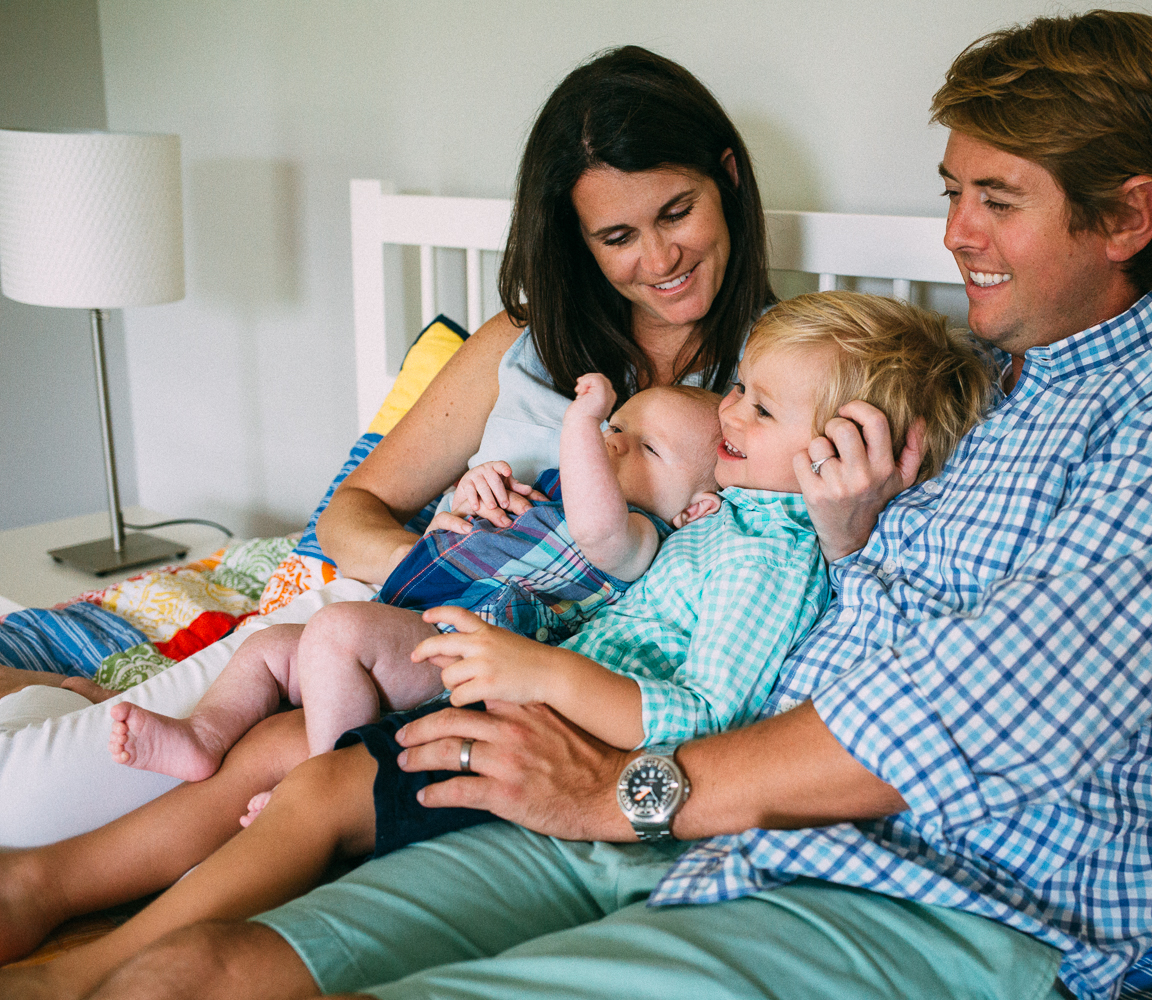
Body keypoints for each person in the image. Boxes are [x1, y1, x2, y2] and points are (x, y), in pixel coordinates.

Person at [62, 11, 1152, 1000]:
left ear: (1129, 216)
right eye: (952, 190)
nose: (955, 235)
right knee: (188, 970)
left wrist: (626, 786)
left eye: (998, 200)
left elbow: (967, 710)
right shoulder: (953, 379)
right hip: (693, 822)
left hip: (921, 901)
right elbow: (828, 580)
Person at [0, 42, 848, 962]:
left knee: (195, 767)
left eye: (677, 212)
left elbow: (806, 559)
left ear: (727, 179)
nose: (658, 259)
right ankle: (60, 713)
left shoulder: (783, 389)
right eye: (616, 237)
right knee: (45, 782)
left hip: (495, 659)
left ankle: (48, 852)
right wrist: (437, 539)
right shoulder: (522, 339)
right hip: (369, 609)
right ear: (576, 238)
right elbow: (348, 513)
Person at [0, 290, 992, 1000]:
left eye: (757, 407)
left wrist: (536, 665)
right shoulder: (722, 519)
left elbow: (702, 712)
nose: (730, 409)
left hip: (558, 722)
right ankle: (64, 907)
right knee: (296, 751)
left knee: (303, 779)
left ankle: (83, 940)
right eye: (735, 393)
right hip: (491, 663)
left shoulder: (765, 550)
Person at [105, 381, 725, 785]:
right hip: (408, 615)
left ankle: (318, 787)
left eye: (647, 449)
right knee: (266, 649)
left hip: (469, 652)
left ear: (694, 508)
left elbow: (596, 525)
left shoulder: (638, 536)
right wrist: (473, 491)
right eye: (617, 426)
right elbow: (461, 533)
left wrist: (582, 422)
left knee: (335, 633)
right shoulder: (550, 494)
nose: (612, 445)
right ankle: (204, 734)